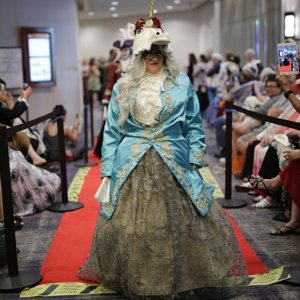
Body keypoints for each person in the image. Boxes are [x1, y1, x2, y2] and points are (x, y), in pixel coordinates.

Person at [78, 11, 246, 299]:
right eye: (147, 53)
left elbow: (193, 123)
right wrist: (107, 168)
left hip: (174, 159)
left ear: (165, 54)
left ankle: (181, 276)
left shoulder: (182, 84)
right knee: (137, 226)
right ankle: (141, 278)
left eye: (158, 51)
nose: (153, 57)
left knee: (178, 222)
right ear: (139, 56)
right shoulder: (123, 86)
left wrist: (196, 152)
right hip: (132, 162)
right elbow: (112, 133)